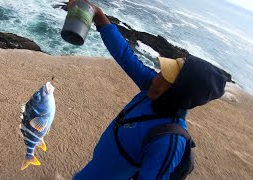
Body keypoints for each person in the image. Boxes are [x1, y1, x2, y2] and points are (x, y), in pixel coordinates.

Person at [68, 0, 227, 179]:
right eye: (161, 72)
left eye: (165, 78)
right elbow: (125, 55)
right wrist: (98, 15)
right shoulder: (152, 88)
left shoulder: (168, 139)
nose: (156, 77)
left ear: (177, 94)